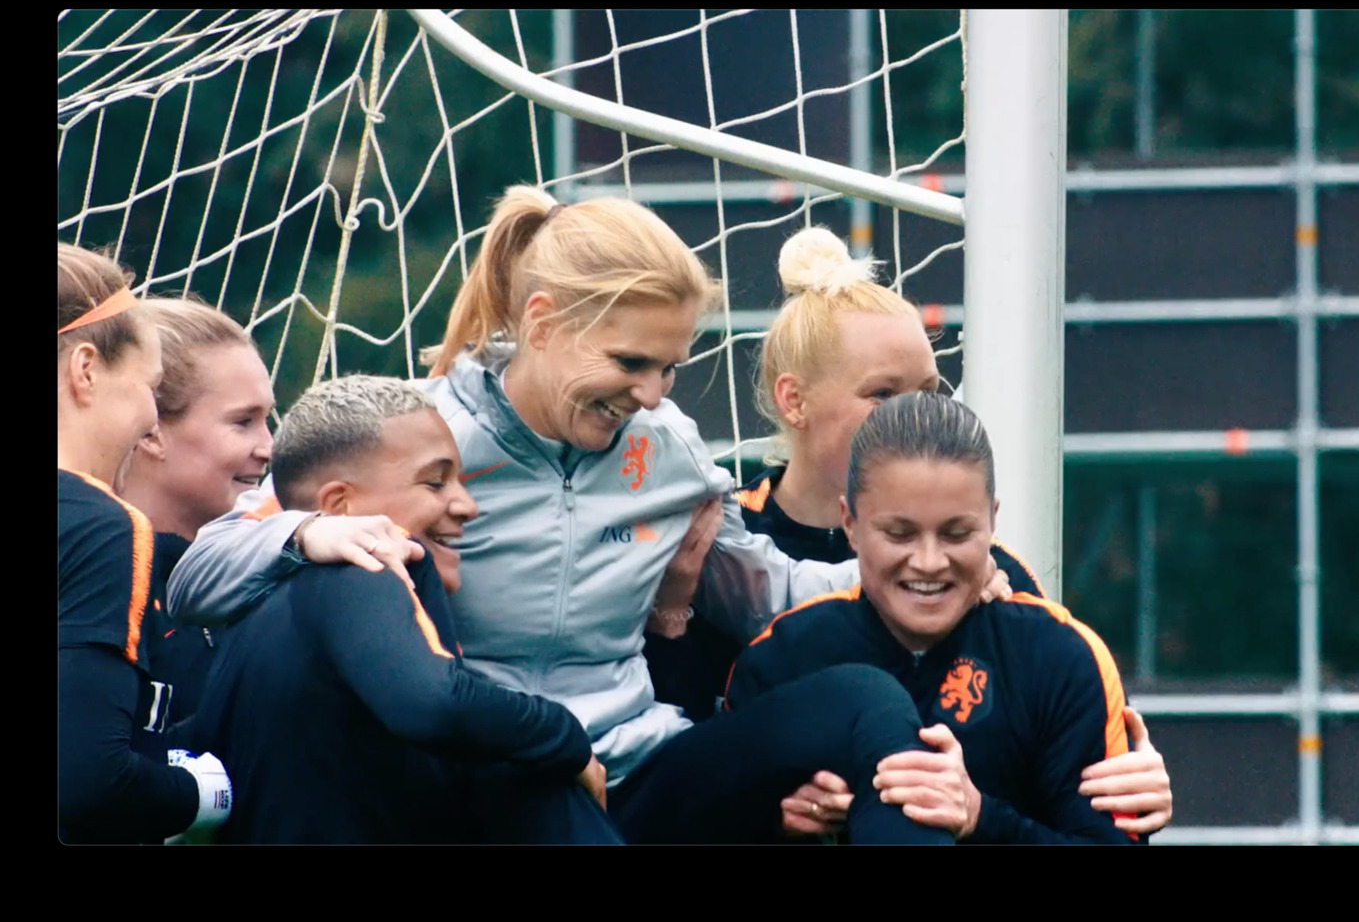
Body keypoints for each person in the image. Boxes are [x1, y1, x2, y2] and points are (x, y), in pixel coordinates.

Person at [163, 186, 1003, 838]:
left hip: (638, 771)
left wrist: (939, 569)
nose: (650, 394)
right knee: (537, 781)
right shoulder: (418, 437)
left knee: (859, 700)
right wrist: (307, 530)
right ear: (543, 321)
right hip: (488, 775)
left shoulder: (665, 446)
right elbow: (200, 573)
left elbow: (764, 590)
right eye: (632, 361)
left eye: (671, 367)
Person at [647, 226, 1174, 838]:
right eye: (884, 394)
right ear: (794, 401)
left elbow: (1044, 706)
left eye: (928, 392)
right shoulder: (714, 542)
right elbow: (688, 765)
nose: (911, 416)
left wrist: (1131, 771)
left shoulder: (991, 574)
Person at [184, 375, 620, 843]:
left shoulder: (263, 608)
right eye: (435, 482)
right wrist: (565, 737)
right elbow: (433, 705)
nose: (467, 505)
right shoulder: (357, 570)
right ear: (339, 507)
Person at [727, 391, 1148, 843]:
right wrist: (773, 819)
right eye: (899, 533)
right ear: (850, 523)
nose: (929, 562)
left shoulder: (1063, 658)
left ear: (992, 520)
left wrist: (980, 818)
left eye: (956, 533)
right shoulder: (782, 658)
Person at [56, 243, 230, 844]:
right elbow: (85, 783)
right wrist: (206, 792)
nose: (154, 418)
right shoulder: (99, 526)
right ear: (85, 370)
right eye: (149, 386)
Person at [118, 298, 275, 738]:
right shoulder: (98, 576)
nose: (268, 447)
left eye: (267, 420)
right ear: (151, 430)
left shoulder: (265, 569)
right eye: (243, 422)